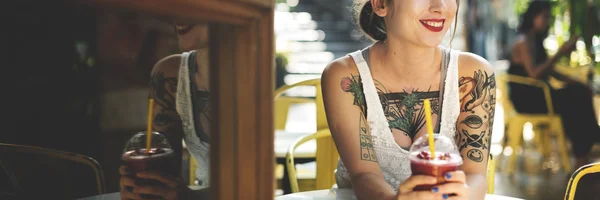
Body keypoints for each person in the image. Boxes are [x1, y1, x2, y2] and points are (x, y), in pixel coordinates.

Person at [321, 0, 495, 199]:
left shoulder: (474, 75)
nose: (440, 6)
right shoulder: (346, 77)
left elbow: (475, 174)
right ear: (380, 5)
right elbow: (364, 175)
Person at [119, 22, 210, 200]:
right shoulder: (170, 75)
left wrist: (195, 198)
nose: (178, 17)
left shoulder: (256, 74)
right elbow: (166, 176)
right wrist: (141, 187)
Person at [507, 0, 600, 169]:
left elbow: (550, 71)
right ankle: (586, 147)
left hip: (540, 94)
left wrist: (576, 82)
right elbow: (535, 74)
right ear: (533, 17)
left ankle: (584, 150)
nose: (546, 21)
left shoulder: (535, 40)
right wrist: (559, 53)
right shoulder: (523, 41)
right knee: (572, 102)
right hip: (527, 99)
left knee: (580, 91)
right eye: (544, 17)